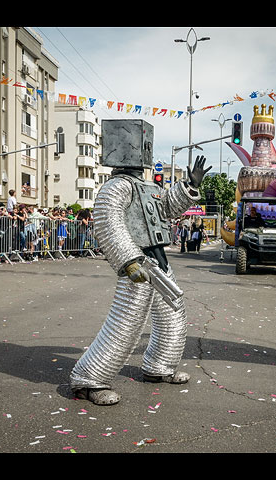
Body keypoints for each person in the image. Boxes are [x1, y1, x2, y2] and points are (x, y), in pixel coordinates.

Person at [69, 118, 209, 406]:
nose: (145, 149)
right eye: (141, 144)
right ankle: (89, 379)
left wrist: (189, 186)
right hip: (138, 262)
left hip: (157, 259)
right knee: (126, 322)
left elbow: (166, 208)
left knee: (172, 312)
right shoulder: (115, 187)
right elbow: (108, 223)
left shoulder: (144, 186)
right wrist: (130, 261)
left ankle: (159, 366)